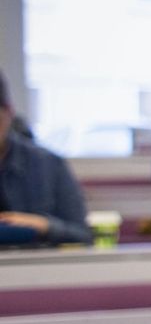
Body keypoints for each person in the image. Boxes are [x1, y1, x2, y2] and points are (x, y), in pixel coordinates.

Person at [0, 71, 93, 246]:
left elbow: (82, 234)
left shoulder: (48, 164)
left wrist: (44, 225)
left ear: (9, 113)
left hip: (35, 259)